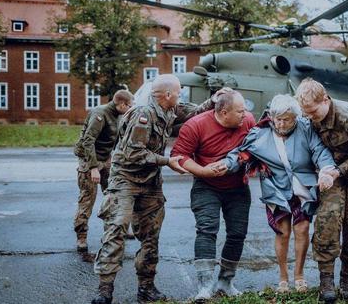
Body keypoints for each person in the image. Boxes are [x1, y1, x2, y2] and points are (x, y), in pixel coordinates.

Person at [91, 74, 209, 304]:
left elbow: (192, 112)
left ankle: (146, 288)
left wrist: (214, 101)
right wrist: (168, 162)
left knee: (150, 236)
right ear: (167, 94)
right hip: (125, 180)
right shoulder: (143, 115)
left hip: (150, 182)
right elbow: (133, 154)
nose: (180, 95)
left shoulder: (169, 110)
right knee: (115, 232)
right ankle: (104, 291)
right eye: (178, 92)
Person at [219, 94, 337, 293]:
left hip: (303, 189)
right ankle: (283, 278)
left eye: (287, 119)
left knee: (302, 229)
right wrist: (225, 164)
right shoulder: (259, 134)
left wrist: (327, 170)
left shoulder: (305, 128)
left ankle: (299, 276)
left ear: (295, 117)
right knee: (282, 233)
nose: (281, 124)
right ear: (272, 116)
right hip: (276, 189)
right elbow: (241, 154)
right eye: (278, 119)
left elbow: (320, 151)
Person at [295, 78, 348, 302]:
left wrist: (339, 171)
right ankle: (326, 280)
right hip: (330, 169)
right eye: (307, 113)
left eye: (313, 111)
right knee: (328, 217)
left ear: (325, 100)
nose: (311, 117)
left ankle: (347, 277)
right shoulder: (309, 116)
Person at [170, 87, 256, 301]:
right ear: (224, 112)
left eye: (244, 110)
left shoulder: (248, 121)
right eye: (239, 111)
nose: (244, 115)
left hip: (237, 187)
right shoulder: (196, 124)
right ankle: (205, 286)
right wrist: (202, 171)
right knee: (207, 230)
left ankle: (225, 282)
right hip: (206, 185)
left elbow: (256, 148)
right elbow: (178, 156)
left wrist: (239, 162)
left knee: (237, 233)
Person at [73, 90, 133, 252]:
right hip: (89, 159)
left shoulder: (118, 115)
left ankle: (114, 230)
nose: (130, 109)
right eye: (129, 106)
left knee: (114, 194)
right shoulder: (100, 114)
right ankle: (81, 237)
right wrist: (93, 168)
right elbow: (88, 141)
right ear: (121, 104)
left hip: (105, 158)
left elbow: (116, 139)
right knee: (87, 199)